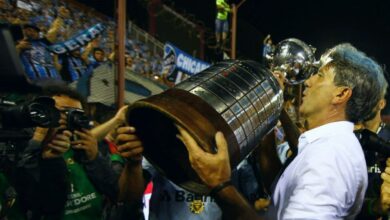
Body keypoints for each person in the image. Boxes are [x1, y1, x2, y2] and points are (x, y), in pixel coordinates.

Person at [178, 43, 384, 219]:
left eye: (320, 76)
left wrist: (220, 183)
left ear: (341, 94)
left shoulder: (330, 157)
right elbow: (280, 188)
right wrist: (270, 110)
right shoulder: (328, 147)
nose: (308, 81)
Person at [14, 83, 118, 219]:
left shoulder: (83, 148)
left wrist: (94, 158)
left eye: (76, 114)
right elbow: (33, 200)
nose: (69, 118)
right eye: (62, 112)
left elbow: (115, 191)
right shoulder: (21, 148)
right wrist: (37, 145)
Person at [16, 6, 68, 81]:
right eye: (27, 30)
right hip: (35, 81)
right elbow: (12, 58)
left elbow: (54, 31)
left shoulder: (44, 42)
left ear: (37, 33)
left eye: (33, 30)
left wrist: (60, 17)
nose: (30, 32)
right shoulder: (20, 44)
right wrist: (18, 48)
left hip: (54, 79)